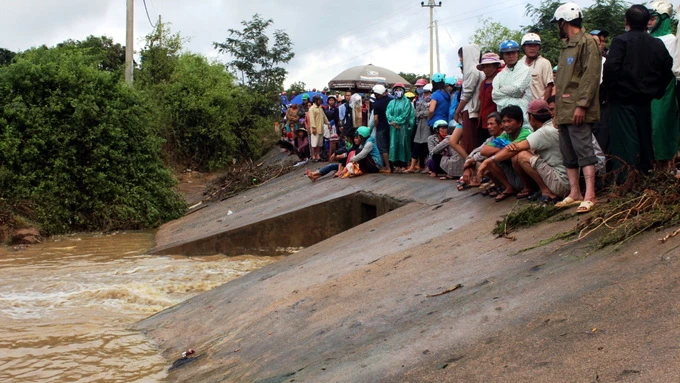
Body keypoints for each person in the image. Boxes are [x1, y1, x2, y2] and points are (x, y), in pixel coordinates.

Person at [603, 4, 674, 179]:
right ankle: (646, 176)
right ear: (647, 22)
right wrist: (657, 91)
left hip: (622, 101)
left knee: (624, 142)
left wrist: (609, 91)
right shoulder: (656, 43)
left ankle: (626, 181)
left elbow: (611, 67)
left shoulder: (621, 41)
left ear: (627, 21)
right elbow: (667, 68)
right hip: (645, 100)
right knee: (644, 139)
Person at [551, 2, 602, 213]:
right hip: (564, 109)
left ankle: (590, 194)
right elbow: (561, 82)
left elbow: (590, 77)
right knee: (567, 152)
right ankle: (575, 193)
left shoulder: (588, 42)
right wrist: (556, 110)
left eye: (558, 23)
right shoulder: (566, 45)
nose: (557, 27)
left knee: (584, 150)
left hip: (578, 108)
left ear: (563, 22)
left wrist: (581, 106)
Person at [504, 100, 569, 204]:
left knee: (522, 156)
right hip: (571, 181)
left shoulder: (542, 132)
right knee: (526, 152)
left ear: (531, 118)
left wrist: (488, 161)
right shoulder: (552, 127)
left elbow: (514, 149)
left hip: (561, 185)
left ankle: (547, 192)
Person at [648, 1, 679, 171]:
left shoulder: (671, 39)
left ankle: (666, 165)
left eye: (653, 18)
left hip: (665, 89)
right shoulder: (647, 37)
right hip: (647, 89)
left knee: (662, 125)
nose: (649, 22)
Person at [476, 105, 532, 201]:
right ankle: (509, 187)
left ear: (519, 123)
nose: (506, 125)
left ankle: (528, 187)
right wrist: (504, 148)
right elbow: (484, 151)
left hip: (527, 173)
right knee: (490, 159)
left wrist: (503, 149)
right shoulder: (505, 136)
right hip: (513, 173)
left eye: (509, 121)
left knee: (516, 156)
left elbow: (513, 150)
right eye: (504, 121)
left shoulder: (525, 133)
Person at [459, 112, 504, 190]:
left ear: (500, 125)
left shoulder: (504, 136)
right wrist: (467, 167)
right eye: (488, 124)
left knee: (486, 160)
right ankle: (497, 185)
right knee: (477, 162)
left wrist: (470, 161)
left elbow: (483, 153)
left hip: (507, 170)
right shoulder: (490, 139)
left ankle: (503, 185)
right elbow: (475, 151)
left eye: (491, 124)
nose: (489, 127)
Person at [453, 44, 483, 153]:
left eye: (462, 56)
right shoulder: (478, 69)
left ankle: (473, 168)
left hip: (471, 110)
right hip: (472, 109)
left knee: (470, 143)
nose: (461, 59)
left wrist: (457, 111)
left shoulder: (472, 70)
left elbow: (467, 94)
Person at [492, 40, 532, 114]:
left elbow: (517, 90)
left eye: (513, 53)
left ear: (517, 54)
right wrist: (512, 92)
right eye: (507, 53)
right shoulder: (499, 75)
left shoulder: (525, 70)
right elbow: (494, 95)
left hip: (522, 114)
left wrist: (501, 89)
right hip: (504, 113)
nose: (511, 56)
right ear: (502, 55)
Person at [386, 83, 416, 172]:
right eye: (396, 90)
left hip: (403, 127)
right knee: (394, 144)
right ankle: (396, 165)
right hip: (393, 127)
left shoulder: (407, 102)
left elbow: (406, 114)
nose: (398, 92)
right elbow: (388, 113)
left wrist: (397, 121)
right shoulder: (391, 102)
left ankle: (404, 164)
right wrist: (393, 122)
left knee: (403, 145)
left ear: (403, 91)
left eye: (400, 90)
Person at [476, 53, 502, 148]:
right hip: (482, 120)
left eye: (488, 66)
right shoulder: (483, 83)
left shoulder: (499, 80)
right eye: (484, 67)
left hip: (495, 120)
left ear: (495, 66)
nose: (486, 69)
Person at [519, 33, 554, 101]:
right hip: (522, 105)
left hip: (538, 106)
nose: (532, 48)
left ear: (539, 47)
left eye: (535, 45)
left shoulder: (544, 63)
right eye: (529, 45)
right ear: (523, 47)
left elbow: (549, 86)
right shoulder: (519, 63)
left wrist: (544, 104)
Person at [408, 84, 433, 173]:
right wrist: (423, 113)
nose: (426, 94)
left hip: (428, 126)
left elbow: (430, 112)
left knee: (427, 148)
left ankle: (427, 166)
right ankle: (412, 167)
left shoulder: (433, 101)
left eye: (428, 92)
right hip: (420, 127)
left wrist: (422, 113)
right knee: (416, 147)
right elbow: (416, 112)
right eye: (425, 93)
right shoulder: (420, 102)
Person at [373, 84, 393, 172]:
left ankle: (388, 167)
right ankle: (395, 166)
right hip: (392, 126)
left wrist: (375, 126)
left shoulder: (377, 103)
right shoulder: (391, 100)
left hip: (381, 127)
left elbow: (376, 119)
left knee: (383, 148)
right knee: (391, 146)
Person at [308, 95, 329, 162]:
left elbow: (324, 117)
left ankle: (318, 155)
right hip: (315, 128)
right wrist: (313, 128)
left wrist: (328, 123)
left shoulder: (320, 108)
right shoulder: (312, 109)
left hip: (321, 128)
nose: (320, 101)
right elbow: (312, 119)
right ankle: (314, 155)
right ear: (315, 101)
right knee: (314, 143)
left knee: (320, 143)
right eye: (319, 100)